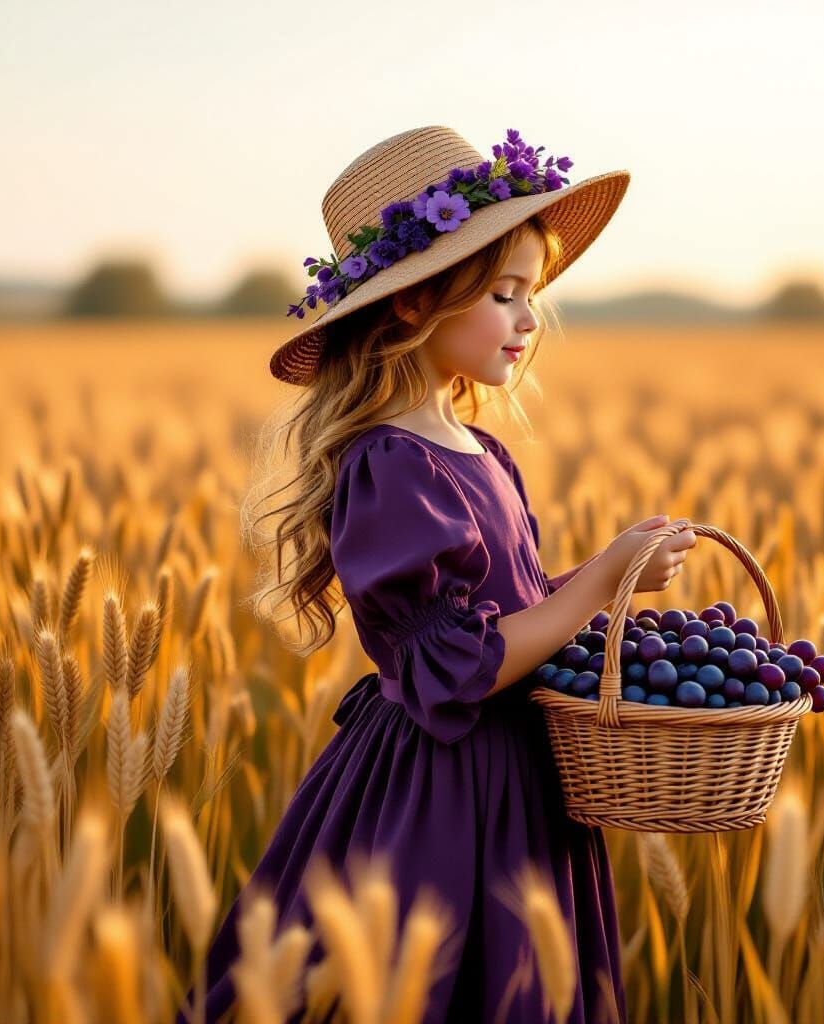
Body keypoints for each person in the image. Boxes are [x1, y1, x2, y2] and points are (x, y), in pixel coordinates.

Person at [176, 124, 696, 1024]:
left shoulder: (477, 447)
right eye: (504, 293)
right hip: (446, 791)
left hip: (523, 774)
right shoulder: (391, 465)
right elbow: (465, 662)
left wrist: (608, 577)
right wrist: (599, 580)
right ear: (412, 306)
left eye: (532, 293)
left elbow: (509, 612)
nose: (531, 320)